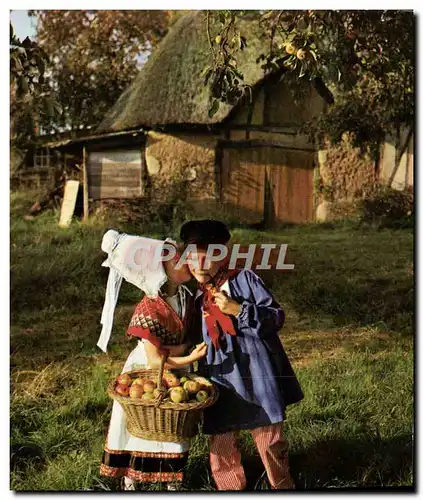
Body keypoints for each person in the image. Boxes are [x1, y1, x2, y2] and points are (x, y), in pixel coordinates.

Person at [179, 219, 303, 491]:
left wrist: (239, 310)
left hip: (256, 372)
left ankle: (282, 486)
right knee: (221, 444)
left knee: (270, 438)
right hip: (221, 376)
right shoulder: (194, 296)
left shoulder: (244, 280)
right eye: (193, 259)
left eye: (208, 258)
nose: (200, 266)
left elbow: (276, 317)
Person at [98, 230, 207, 490]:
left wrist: (185, 350)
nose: (184, 264)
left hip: (176, 368)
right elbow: (154, 359)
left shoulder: (186, 298)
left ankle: (171, 480)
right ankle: (132, 480)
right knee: (145, 423)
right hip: (148, 370)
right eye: (176, 261)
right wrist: (188, 354)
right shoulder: (149, 306)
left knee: (173, 424)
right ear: (160, 269)